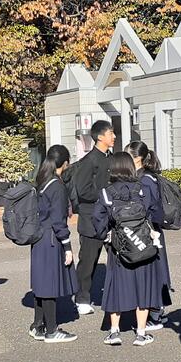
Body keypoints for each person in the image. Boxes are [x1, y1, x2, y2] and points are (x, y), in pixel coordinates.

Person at [92, 152, 163, 347]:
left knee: (116, 287)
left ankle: (114, 332)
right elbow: (156, 213)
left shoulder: (106, 192)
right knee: (144, 288)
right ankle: (141, 333)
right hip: (144, 246)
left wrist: (106, 236)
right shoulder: (143, 189)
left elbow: (98, 219)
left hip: (119, 248)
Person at [28, 145, 79, 343]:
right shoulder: (57, 186)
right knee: (49, 285)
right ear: (64, 163)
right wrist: (67, 247)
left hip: (39, 238)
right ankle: (51, 330)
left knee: (41, 284)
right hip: (51, 240)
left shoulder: (42, 180)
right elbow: (59, 221)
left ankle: (37, 325)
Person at [71, 120, 116, 315]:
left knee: (117, 257)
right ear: (100, 137)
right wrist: (105, 195)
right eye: (111, 133)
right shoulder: (88, 161)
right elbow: (83, 190)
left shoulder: (112, 158)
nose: (114, 136)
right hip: (91, 219)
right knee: (88, 260)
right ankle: (82, 298)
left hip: (111, 218)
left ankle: (117, 295)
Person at [126, 141, 170, 331]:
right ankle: (156, 311)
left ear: (137, 158)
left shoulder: (145, 180)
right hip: (150, 230)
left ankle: (155, 314)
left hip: (149, 231)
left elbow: (148, 208)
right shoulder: (146, 177)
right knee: (156, 270)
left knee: (154, 271)